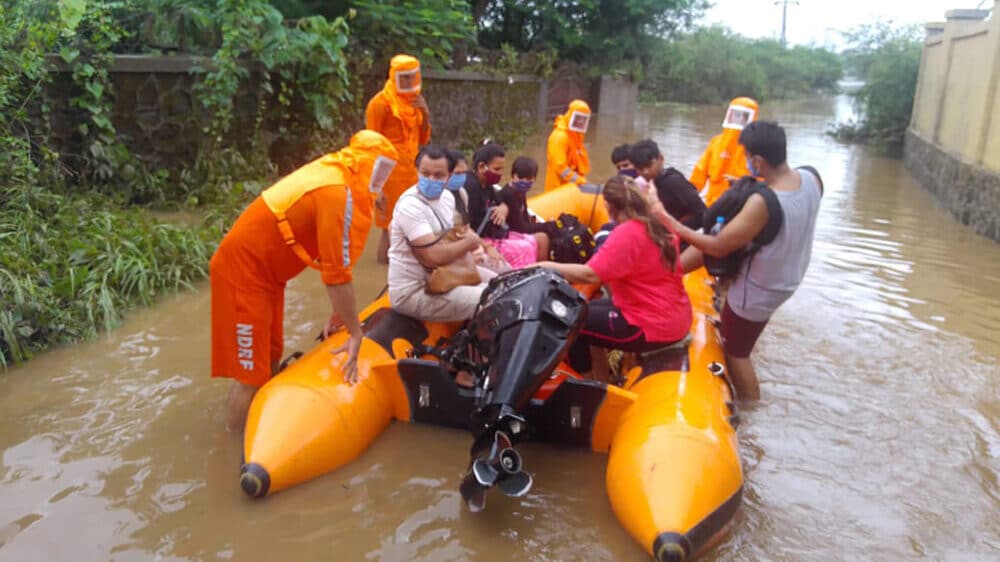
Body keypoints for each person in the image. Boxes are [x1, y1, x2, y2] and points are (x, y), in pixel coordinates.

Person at [210, 130, 399, 431]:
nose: (382, 180)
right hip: (244, 272)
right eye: (381, 169)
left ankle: (262, 426)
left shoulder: (338, 177)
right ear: (366, 163)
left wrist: (340, 315)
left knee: (269, 357)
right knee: (249, 376)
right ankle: (231, 448)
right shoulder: (336, 192)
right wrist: (354, 332)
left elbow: (338, 258)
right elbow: (335, 278)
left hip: (268, 276)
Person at [649, 121, 822, 401]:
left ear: (757, 160)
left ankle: (752, 410)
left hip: (760, 288)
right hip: (790, 273)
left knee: (736, 352)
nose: (746, 163)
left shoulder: (764, 203)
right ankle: (670, 276)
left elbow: (717, 247)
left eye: (747, 158)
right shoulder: (812, 178)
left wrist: (670, 222)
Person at [538, 176, 692, 374]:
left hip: (649, 325)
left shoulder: (627, 233)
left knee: (570, 321)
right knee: (584, 310)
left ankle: (586, 386)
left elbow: (590, 275)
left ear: (609, 206)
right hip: (672, 315)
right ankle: (601, 380)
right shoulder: (658, 223)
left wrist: (546, 265)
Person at [388, 145, 491, 322]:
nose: (431, 179)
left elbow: (449, 241)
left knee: (501, 284)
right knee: (494, 300)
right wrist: (471, 242)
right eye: (425, 173)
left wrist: (472, 245)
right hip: (414, 289)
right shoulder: (410, 205)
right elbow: (432, 257)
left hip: (443, 275)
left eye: (438, 175)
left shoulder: (447, 198)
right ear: (417, 171)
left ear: (449, 176)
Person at [366, 54, 432, 264]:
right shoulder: (380, 103)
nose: (409, 83)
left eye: (413, 77)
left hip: (412, 172)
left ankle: (402, 267)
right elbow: (371, 143)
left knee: (409, 222)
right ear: (394, 77)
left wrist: (425, 112)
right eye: (404, 78)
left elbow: (423, 139)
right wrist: (377, 188)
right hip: (389, 174)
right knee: (388, 227)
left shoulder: (415, 102)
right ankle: (383, 270)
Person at [690, 97, 760, 205]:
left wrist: (741, 184)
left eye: (744, 117)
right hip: (712, 204)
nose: (739, 120)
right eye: (736, 115)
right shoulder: (716, 142)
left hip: (740, 206)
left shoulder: (756, 148)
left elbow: (764, 183)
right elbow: (699, 174)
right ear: (729, 115)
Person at [629, 139, 706, 232]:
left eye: (649, 166)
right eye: (640, 168)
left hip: (680, 235)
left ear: (660, 159)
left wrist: (673, 230)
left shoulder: (674, 182)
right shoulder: (651, 184)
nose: (646, 172)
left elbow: (702, 214)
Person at [490, 156, 551, 266]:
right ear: (513, 176)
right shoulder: (509, 194)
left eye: (529, 179)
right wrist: (548, 226)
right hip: (509, 234)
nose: (525, 182)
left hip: (518, 230)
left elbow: (525, 218)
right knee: (543, 237)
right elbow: (520, 227)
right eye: (521, 178)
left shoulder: (520, 191)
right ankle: (542, 268)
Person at [544, 99, 592, 191]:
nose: (581, 121)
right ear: (571, 116)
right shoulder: (559, 137)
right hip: (557, 189)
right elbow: (560, 167)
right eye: (578, 117)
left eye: (584, 118)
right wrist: (579, 181)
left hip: (571, 188)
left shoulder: (575, 136)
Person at [464, 142, 508, 233]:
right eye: (497, 169)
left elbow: (499, 200)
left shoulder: (487, 184)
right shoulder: (471, 187)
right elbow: (472, 225)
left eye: (502, 169)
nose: (500, 173)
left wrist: (504, 207)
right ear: (481, 167)